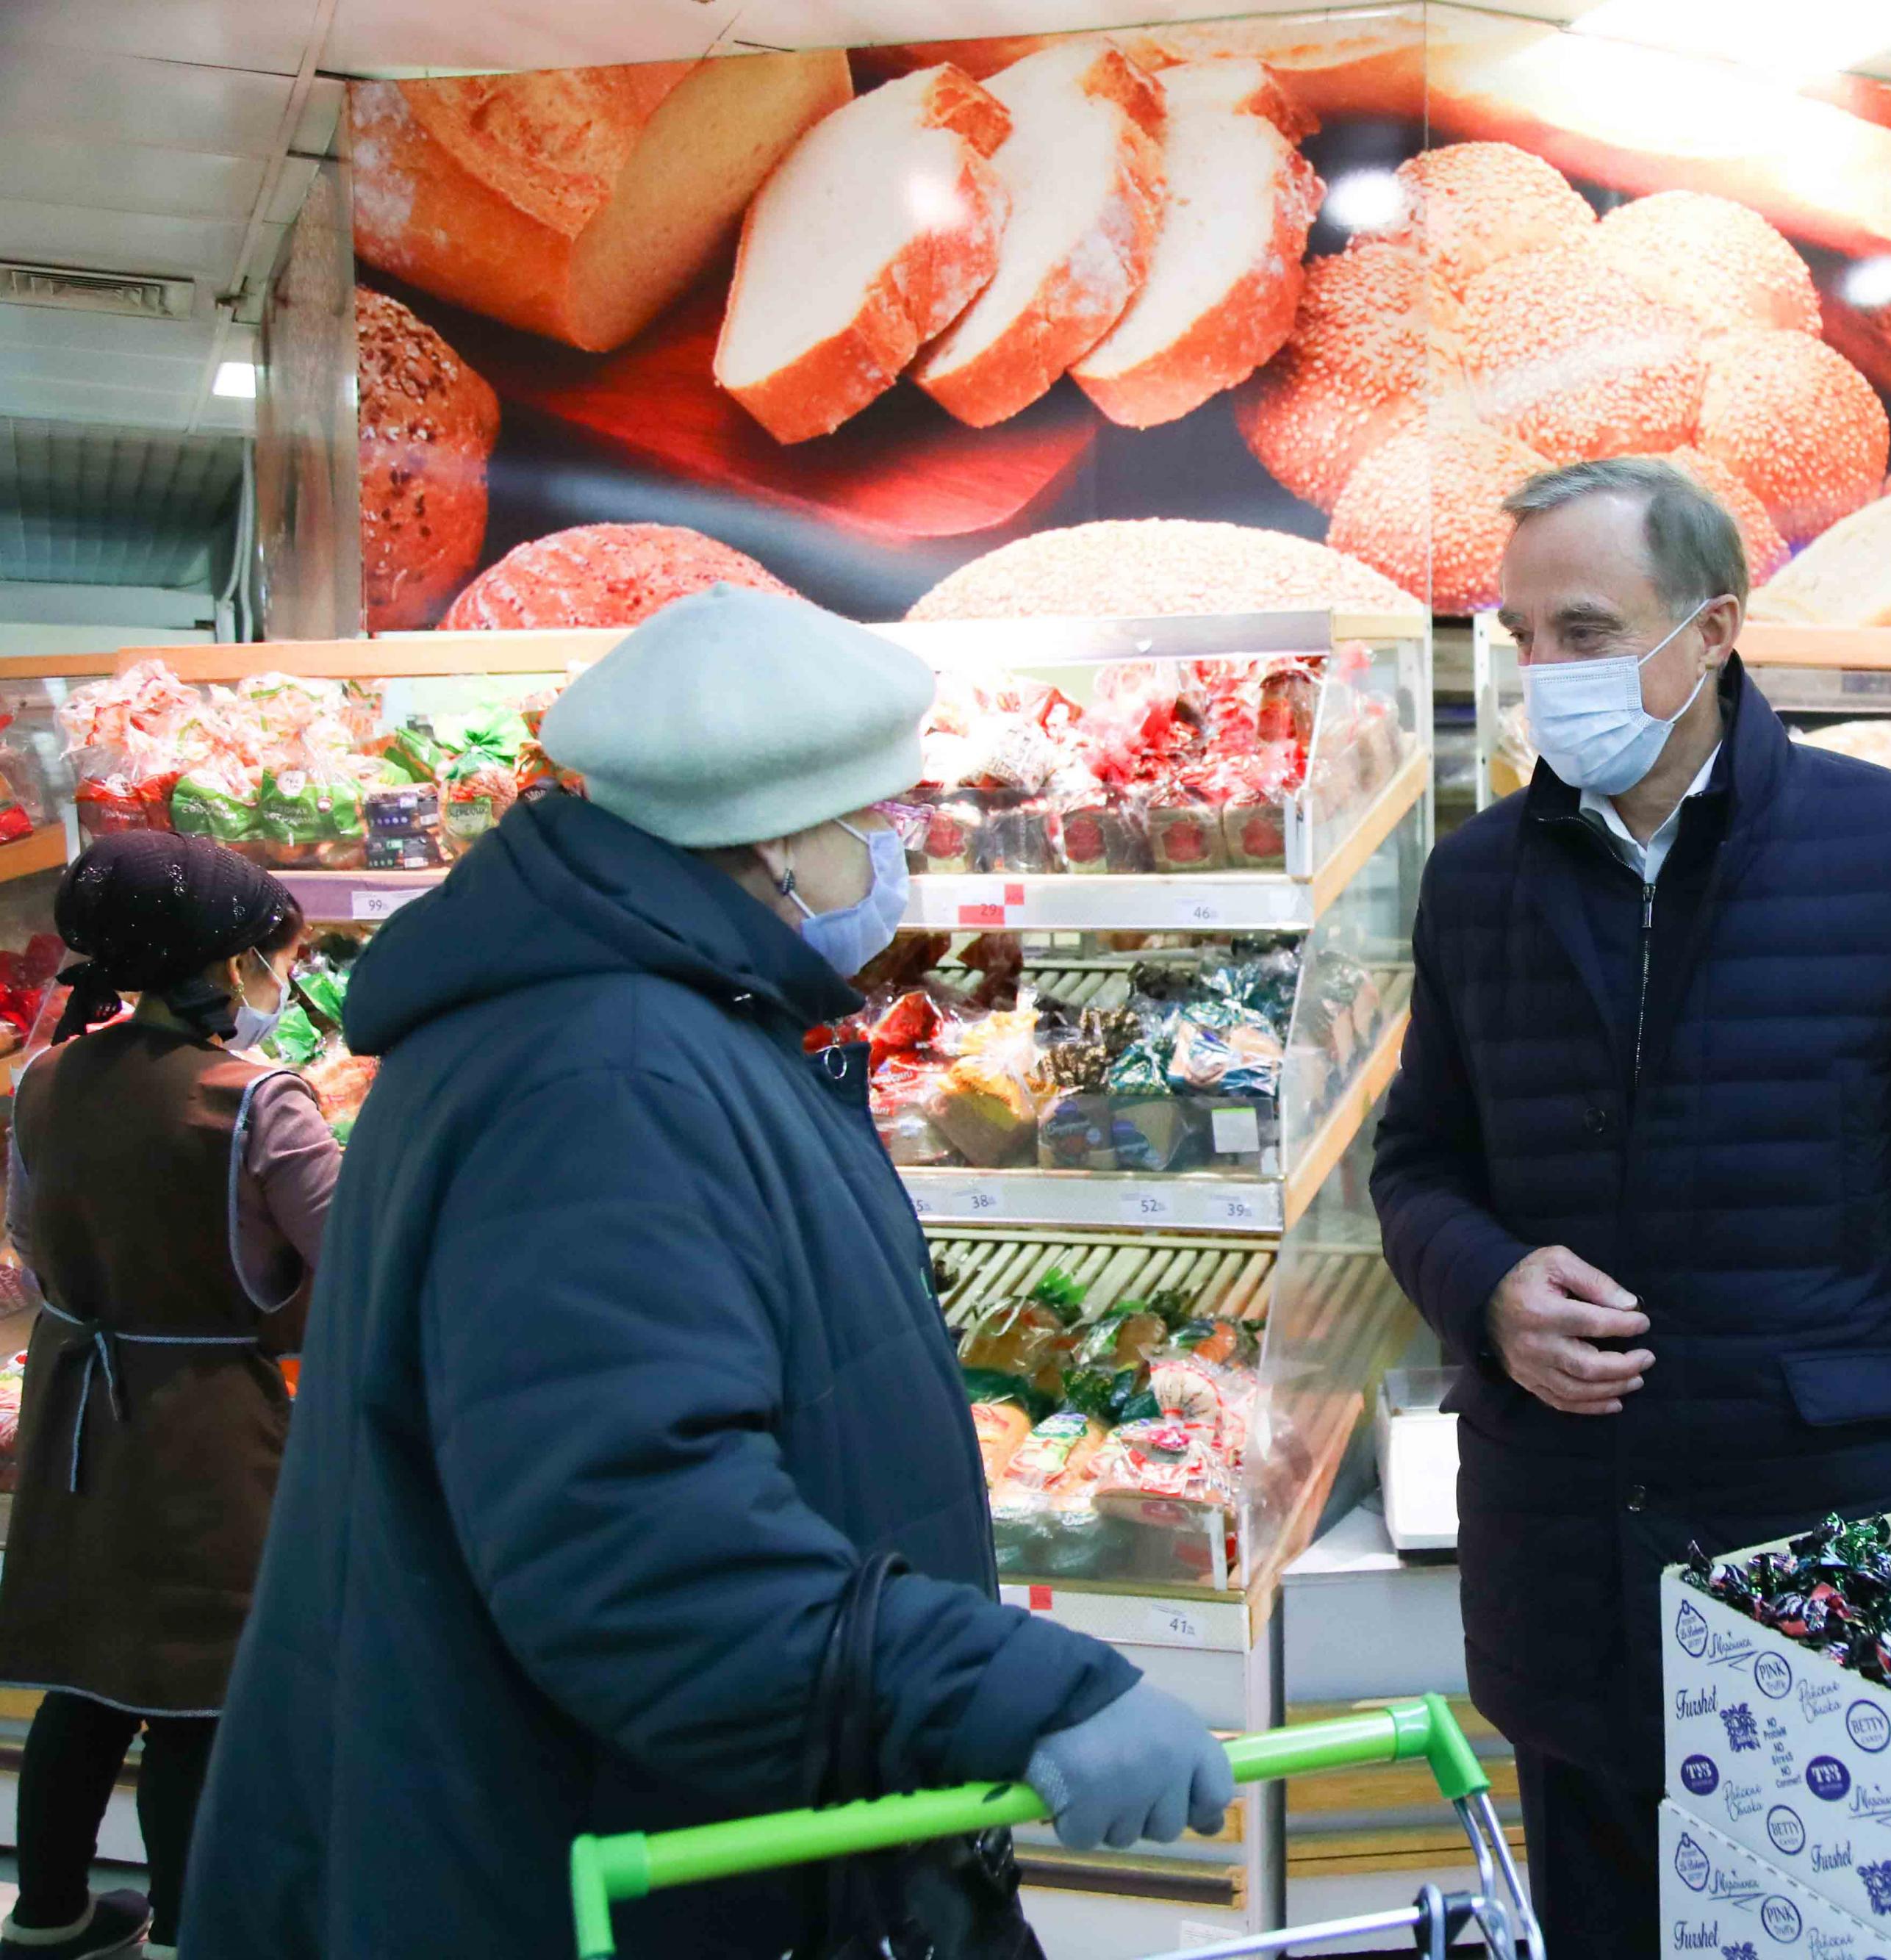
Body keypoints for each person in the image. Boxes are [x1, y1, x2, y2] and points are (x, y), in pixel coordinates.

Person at [184, 587, 1230, 1960]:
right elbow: (627, 1540)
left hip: (645, 1834)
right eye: (877, 818)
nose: (894, 851)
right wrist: (1016, 1690)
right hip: (574, 1869)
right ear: (777, 839)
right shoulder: (600, 1078)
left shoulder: (657, 1021)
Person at [1371, 458, 1891, 1953]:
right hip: (1566, 1554)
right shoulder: (1478, 880)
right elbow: (1417, 1164)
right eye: (1523, 637)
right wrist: (1487, 1286)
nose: (1547, 673)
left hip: (1823, 1544)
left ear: (1714, 629)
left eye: (1585, 629)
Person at [0, 835, 330, 1960]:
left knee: (89, 1670)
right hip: (208, 1414)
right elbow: (354, 1243)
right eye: (274, 955)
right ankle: (191, 1931)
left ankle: (47, 1914)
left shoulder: (47, 1078)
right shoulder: (256, 1100)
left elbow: (26, 1231)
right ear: (232, 963)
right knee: (202, 1688)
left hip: (77, 1406)